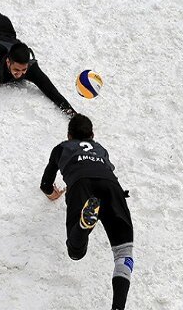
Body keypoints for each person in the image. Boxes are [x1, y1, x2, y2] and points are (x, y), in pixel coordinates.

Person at [40, 114, 134, 310]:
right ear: (92, 135)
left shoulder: (61, 149)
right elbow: (108, 167)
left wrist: (52, 193)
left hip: (81, 184)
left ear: (68, 136)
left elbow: (45, 184)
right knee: (124, 251)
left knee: (76, 252)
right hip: (111, 185)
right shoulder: (101, 149)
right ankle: (118, 308)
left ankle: (83, 226)